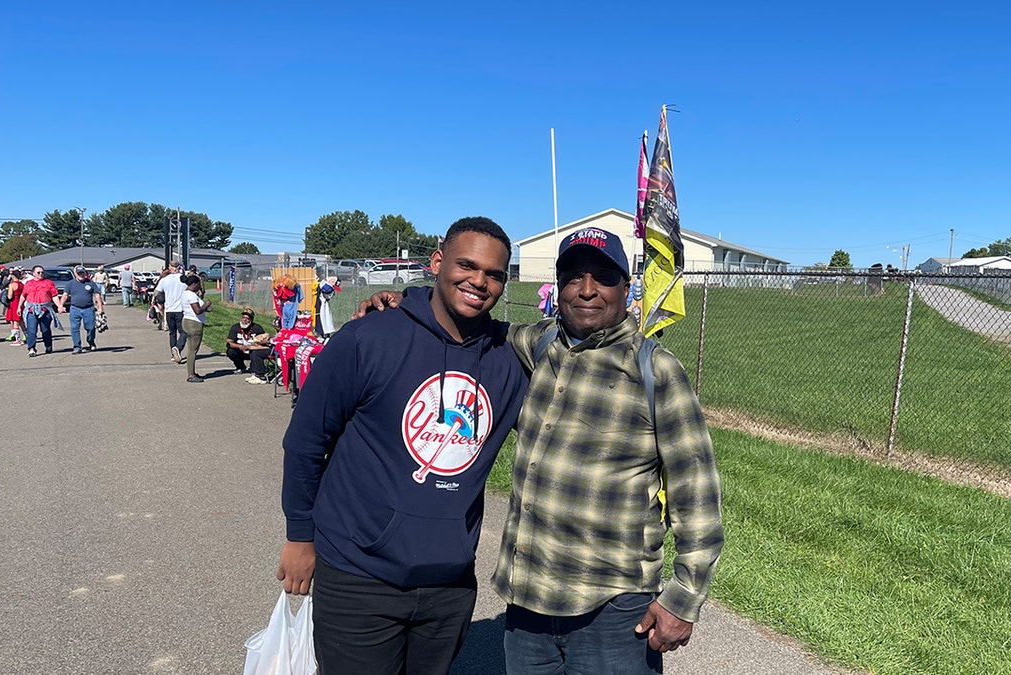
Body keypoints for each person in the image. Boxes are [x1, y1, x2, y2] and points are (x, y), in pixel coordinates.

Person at [361, 228, 725, 673]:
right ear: (558, 287)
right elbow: (466, 322)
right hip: (528, 604)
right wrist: (406, 304)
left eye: (603, 278)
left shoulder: (656, 371)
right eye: (574, 277)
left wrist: (683, 601)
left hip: (613, 609)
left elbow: (698, 495)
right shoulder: (537, 345)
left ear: (626, 290)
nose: (587, 290)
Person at [278, 217, 529, 675]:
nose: (479, 281)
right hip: (358, 574)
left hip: (448, 581)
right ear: (437, 262)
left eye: (494, 274)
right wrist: (299, 534)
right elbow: (306, 442)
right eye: (467, 265)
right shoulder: (367, 339)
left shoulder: (509, 360)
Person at [58, 265, 105, 355]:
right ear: (75, 274)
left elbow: (97, 295)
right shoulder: (70, 284)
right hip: (75, 309)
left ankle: (90, 341)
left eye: (82, 273)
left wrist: (100, 307)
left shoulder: (90, 283)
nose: (81, 275)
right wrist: (60, 305)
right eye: (79, 273)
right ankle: (77, 346)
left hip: (89, 309)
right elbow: (65, 295)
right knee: (74, 328)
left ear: (85, 273)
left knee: (90, 328)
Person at [21, 265, 64, 357]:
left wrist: (59, 306)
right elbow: (23, 295)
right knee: (31, 331)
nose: (41, 274)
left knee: (45, 330)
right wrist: (19, 307)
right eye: (38, 272)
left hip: (45, 310)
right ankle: (31, 348)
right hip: (31, 310)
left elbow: (54, 296)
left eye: (42, 272)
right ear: (33, 274)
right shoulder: (28, 283)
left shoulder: (48, 283)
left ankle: (48, 345)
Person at [226, 308, 272, 384]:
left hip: (253, 351)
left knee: (256, 353)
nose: (245, 320)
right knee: (230, 351)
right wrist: (240, 346)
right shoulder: (235, 327)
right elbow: (229, 342)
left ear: (251, 320)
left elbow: (263, 340)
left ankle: (256, 370)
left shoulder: (257, 328)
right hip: (241, 351)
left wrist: (254, 345)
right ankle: (241, 367)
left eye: (247, 318)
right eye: (243, 317)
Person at [180, 274, 212, 383]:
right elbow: (197, 311)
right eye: (199, 284)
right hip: (194, 323)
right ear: (194, 284)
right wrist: (206, 304)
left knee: (192, 349)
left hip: (188, 321)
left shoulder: (186, 294)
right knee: (192, 350)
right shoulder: (191, 296)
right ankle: (190, 374)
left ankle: (192, 372)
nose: (200, 286)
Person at [155, 262, 187, 362]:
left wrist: (157, 302)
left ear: (170, 268)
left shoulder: (164, 280)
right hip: (181, 310)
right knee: (183, 332)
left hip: (169, 309)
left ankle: (173, 354)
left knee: (172, 332)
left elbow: (156, 292)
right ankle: (177, 348)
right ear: (179, 268)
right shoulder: (183, 279)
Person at [3, 269, 25, 344]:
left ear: (13, 276)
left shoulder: (12, 285)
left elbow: (9, 296)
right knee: (22, 322)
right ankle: (28, 337)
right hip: (21, 303)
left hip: (14, 303)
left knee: (15, 321)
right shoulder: (22, 284)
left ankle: (17, 339)